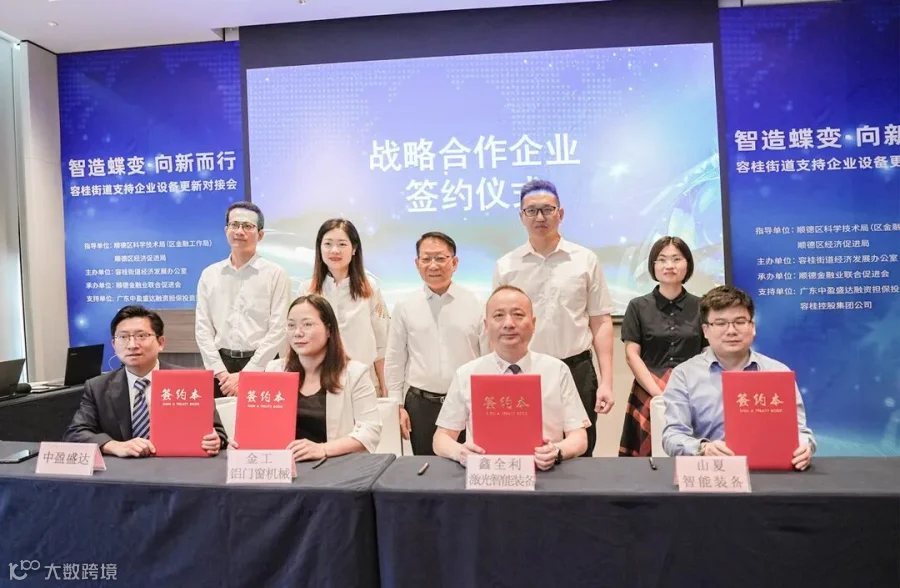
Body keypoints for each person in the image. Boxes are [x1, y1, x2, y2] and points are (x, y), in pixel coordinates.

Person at [492, 179, 614, 457]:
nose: (540, 217)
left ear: (561, 213)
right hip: (524, 373)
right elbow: (497, 326)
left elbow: (600, 321)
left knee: (580, 451)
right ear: (521, 217)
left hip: (577, 369)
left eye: (547, 209)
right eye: (531, 211)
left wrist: (607, 381)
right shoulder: (506, 265)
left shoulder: (585, 259)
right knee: (524, 450)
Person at [433, 286, 589, 470]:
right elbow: (441, 438)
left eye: (518, 315)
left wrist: (557, 451)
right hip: (486, 475)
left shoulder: (556, 370)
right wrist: (460, 452)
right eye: (499, 315)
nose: (508, 323)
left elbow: (579, 437)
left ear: (533, 323)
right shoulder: (466, 374)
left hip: (545, 474)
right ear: (486, 326)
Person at [661, 286, 816, 470]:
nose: (731, 331)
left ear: (752, 326)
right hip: (712, 473)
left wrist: (805, 446)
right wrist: (703, 449)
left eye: (740, 322)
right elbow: (673, 435)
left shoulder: (778, 371)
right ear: (705, 330)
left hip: (772, 472)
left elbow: (801, 431)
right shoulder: (685, 375)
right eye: (720, 323)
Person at [64, 305, 228, 457]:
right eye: (123, 337)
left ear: (160, 343)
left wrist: (216, 440)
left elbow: (219, 433)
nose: (132, 345)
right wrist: (113, 445)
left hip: (178, 467)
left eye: (141, 336)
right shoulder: (98, 387)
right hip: (123, 471)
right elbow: (75, 433)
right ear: (114, 344)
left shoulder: (190, 381)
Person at [384, 232, 487, 455]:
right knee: (426, 467)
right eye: (426, 259)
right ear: (417, 264)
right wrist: (396, 405)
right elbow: (395, 358)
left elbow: (488, 356)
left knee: (470, 464)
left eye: (440, 258)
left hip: (467, 403)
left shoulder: (476, 303)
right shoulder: (405, 305)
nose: (433, 265)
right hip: (421, 405)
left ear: (454, 262)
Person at [265, 294, 382, 460]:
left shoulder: (355, 373)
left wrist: (323, 449)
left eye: (307, 324)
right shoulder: (274, 370)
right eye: (291, 325)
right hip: (284, 465)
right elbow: (262, 425)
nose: (297, 333)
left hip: (334, 465)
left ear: (329, 330)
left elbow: (370, 431)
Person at [619, 237, 706, 457]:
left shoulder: (703, 306)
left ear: (687, 264)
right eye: (662, 259)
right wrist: (659, 395)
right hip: (649, 388)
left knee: (695, 454)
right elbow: (631, 355)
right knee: (647, 458)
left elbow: (707, 351)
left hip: (693, 389)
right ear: (653, 265)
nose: (669, 265)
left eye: (676, 259)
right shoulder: (637, 306)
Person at [195, 201, 291, 397]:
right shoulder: (210, 274)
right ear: (226, 230)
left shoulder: (275, 274)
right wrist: (220, 372)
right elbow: (203, 328)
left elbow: (279, 328)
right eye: (235, 225)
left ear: (260, 234)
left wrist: (248, 373)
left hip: (263, 365)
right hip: (221, 369)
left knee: (261, 418)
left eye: (247, 226)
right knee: (219, 417)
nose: (240, 231)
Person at [299, 218, 390, 395]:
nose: (334, 250)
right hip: (320, 384)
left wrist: (385, 385)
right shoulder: (307, 290)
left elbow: (382, 342)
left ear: (354, 249)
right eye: (328, 244)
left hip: (364, 383)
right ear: (319, 248)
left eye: (342, 244)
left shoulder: (369, 288)